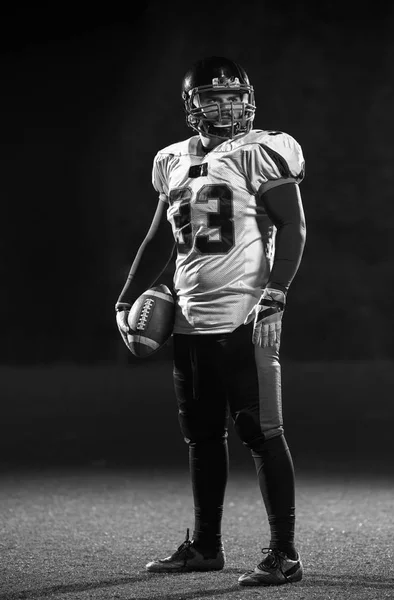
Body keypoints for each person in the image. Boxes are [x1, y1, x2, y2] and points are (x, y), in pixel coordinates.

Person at [115, 56, 307, 586]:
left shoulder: (261, 150)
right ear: (190, 105)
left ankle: (284, 554)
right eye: (210, 97)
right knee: (201, 436)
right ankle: (204, 547)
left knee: (262, 432)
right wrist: (126, 298)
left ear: (248, 99)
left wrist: (277, 291)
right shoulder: (172, 160)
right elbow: (160, 240)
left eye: (232, 96)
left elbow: (293, 225)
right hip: (189, 319)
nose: (224, 107)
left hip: (246, 317)